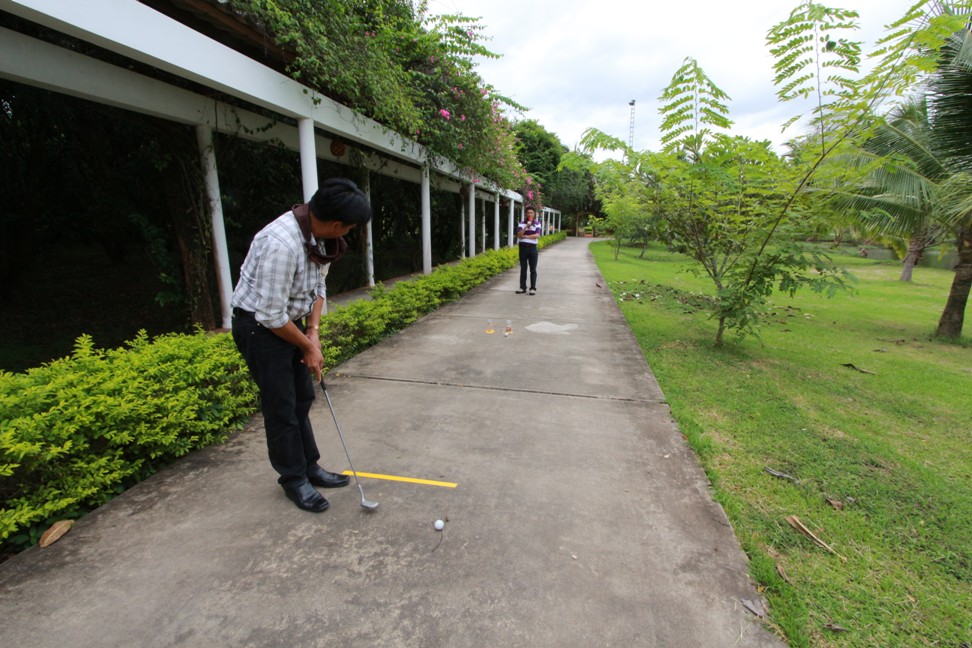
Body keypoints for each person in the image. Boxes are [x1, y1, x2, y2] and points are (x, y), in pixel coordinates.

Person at [231, 178, 372, 512]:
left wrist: (313, 332)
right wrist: (307, 348)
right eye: (349, 228)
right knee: (281, 406)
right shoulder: (281, 243)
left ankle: (309, 466)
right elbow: (269, 315)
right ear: (336, 224)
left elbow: (318, 287)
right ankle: (293, 479)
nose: (348, 233)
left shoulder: (321, 238)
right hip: (260, 328)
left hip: (289, 322)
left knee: (302, 398)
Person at [515, 206, 541, 295]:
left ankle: (533, 288)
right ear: (526, 214)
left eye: (531, 213)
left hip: (533, 248)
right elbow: (519, 235)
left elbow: (537, 235)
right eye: (528, 212)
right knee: (523, 268)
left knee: (533, 269)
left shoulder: (537, 224)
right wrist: (526, 226)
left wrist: (525, 236)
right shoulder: (521, 223)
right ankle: (522, 287)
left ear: (534, 214)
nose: (530, 214)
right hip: (523, 248)